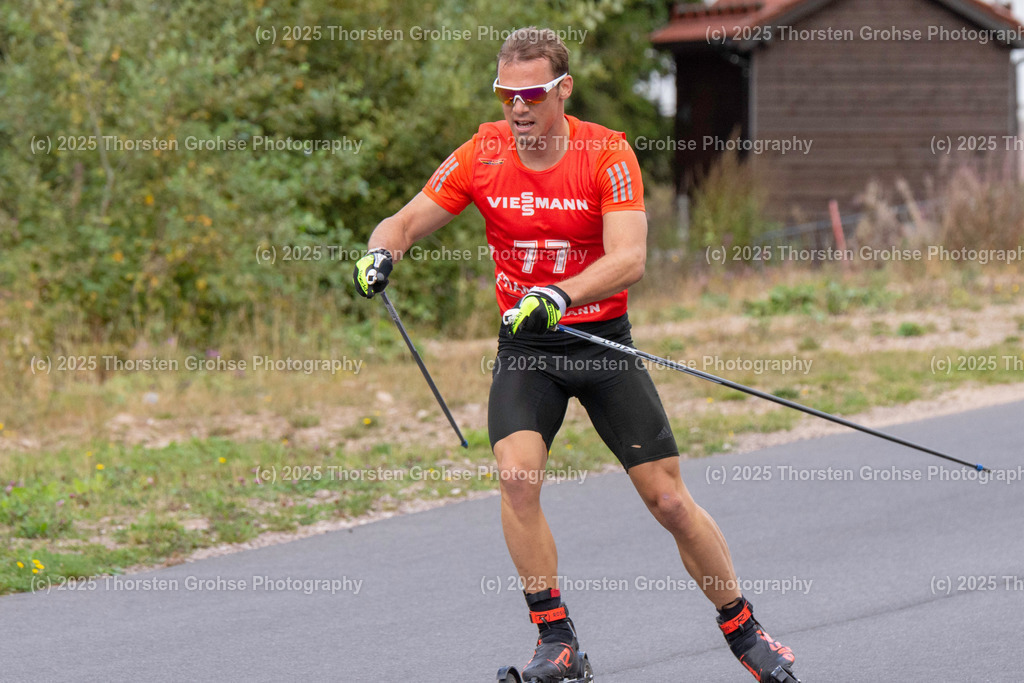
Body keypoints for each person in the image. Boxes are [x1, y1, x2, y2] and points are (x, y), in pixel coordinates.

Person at [353, 27, 799, 683]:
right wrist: (380, 252)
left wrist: (559, 293)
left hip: (600, 342)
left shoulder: (606, 153)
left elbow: (630, 258)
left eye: (531, 93)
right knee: (515, 477)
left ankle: (746, 630)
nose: (517, 107)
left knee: (668, 500)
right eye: (507, 94)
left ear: (563, 89)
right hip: (528, 349)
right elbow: (405, 220)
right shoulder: (482, 152)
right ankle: (556, 642)